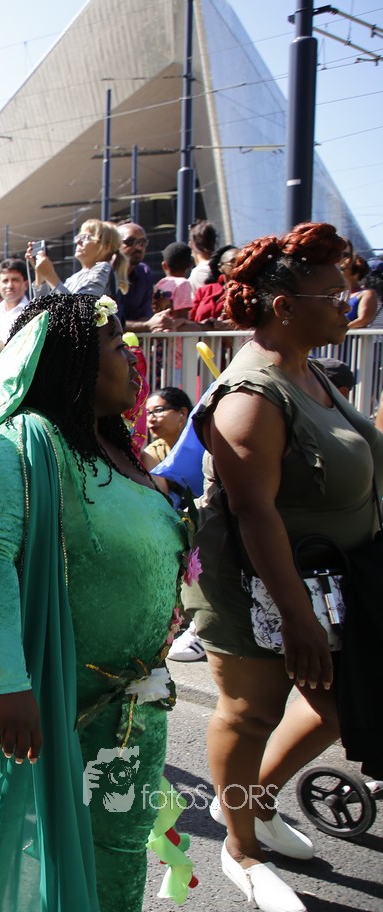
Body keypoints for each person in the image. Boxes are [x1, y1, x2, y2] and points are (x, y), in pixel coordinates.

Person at [0, 292, 186, 911]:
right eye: (116, 345)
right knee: (1, 818)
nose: (133, 358)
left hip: (130, 691)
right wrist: (11, 684)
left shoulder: (116, 447)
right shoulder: (15, 445)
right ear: (73, 362)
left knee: (120, 840)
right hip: (11, 669)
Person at [184, 222, 383, 912]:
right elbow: (253, 513)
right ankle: (242, 848)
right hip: (257, 588)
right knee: (252, 713)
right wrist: (297, 618)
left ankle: (252, 801)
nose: (348, 303)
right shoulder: (251, 395)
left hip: (329, 582)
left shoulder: (310, 370)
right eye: (333, 294)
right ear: (284, 306)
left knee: (339, 704)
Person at [29, 219, 128, 301]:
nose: (78, 241)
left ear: (106, 246)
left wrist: (50, 276)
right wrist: (41, 276)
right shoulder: (74, 277)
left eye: (86, 237)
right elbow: (44, 310)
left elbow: (80, 311)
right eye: (79, 237)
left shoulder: (102, 268)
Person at [141, 385, 193, 468]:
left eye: (158, 410)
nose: (150, 419)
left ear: (182, 413)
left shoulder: (205, 446)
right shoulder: (152, 453)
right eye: (148, 413)